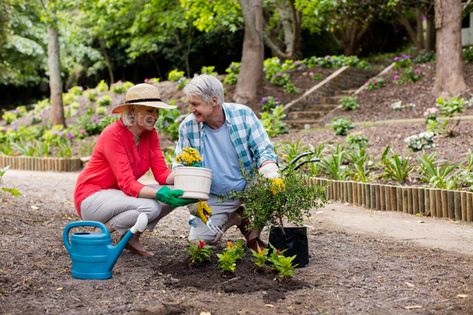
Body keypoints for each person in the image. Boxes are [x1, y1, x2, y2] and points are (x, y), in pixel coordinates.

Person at [73, 83, 195, 257]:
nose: (155, 116)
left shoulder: (151, 134)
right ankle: (99, 234)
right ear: (132, 111)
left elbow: (162, 175)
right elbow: (127, 183)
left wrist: (189, 172)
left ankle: (131, 237)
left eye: (156, 111)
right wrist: (159, 194)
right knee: (151, 207)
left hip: (118, 197)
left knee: (175, 192)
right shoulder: (113, 134)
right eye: (149, 110)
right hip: (92, 197)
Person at [175, 74, 279, 251]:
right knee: (199, 243)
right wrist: (194, 201)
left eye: (195, 104)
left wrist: (270, 170)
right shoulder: (187, 127)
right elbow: (181, 167)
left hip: (249, 185)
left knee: (275, 189)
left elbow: (263, 149)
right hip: (216, 194)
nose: (191, 109)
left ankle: (253, 235)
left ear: (214, 100)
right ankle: (237, 217)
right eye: (190, 104)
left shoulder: (243, 115)